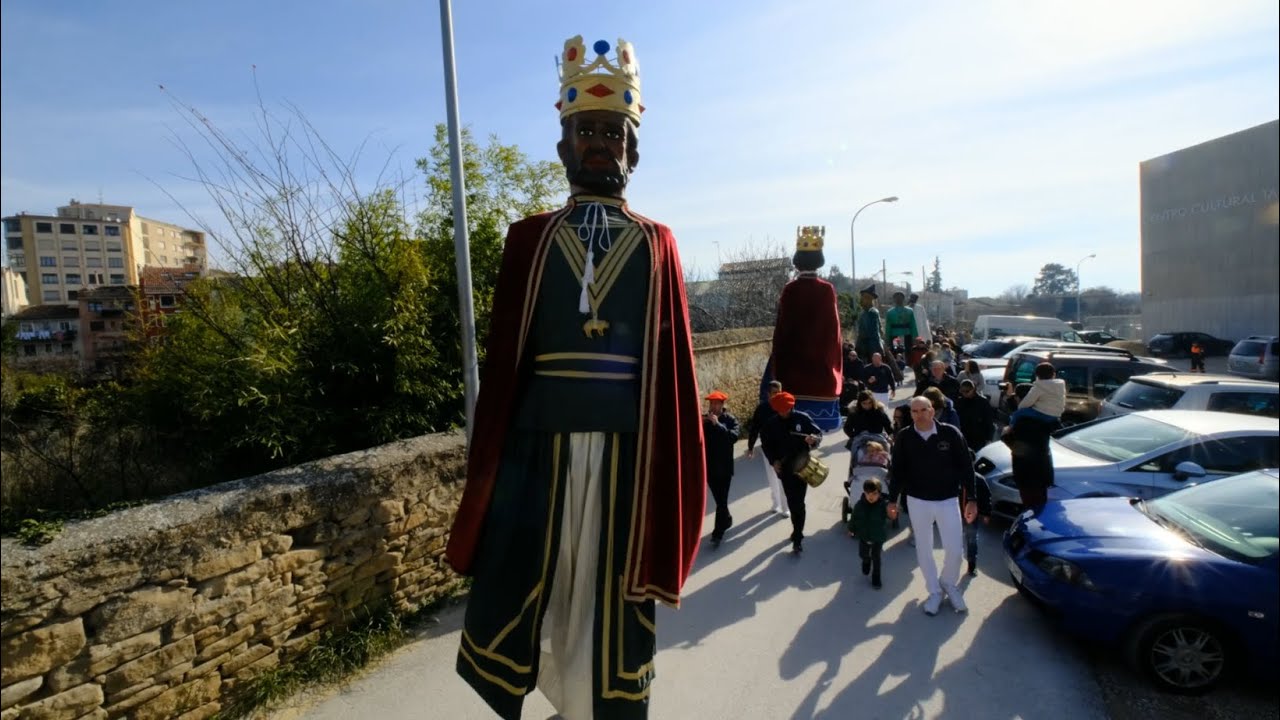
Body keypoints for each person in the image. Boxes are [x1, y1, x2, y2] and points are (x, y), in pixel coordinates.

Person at [445, 36, 704, 720]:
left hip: (624, 453)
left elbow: (671, 368)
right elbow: (506, 366)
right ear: (562, 147)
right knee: (541, 586)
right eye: (585, 131)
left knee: (608, 593)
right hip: (537, 449)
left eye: (612, 134)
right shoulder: (527, 239)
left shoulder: (658, 242)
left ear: (634, 150)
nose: (599, 144)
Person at [888, 397, 978, 615]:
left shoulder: (951, 434)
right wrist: (892, 500)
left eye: (924, 410)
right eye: (914, 411)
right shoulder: (904, 437)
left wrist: (972, 500)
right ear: (911, 414)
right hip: (918, 500)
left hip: (947, 499)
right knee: (924, 547)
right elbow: (897, 471)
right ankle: (935, 591)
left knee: (955, 550)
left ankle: (949, 583)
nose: (919, 414)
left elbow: (966, 467)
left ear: (933, 411)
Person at [767, 225, 843, 431]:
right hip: (820, 367)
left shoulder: (789, 289)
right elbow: (833, 332)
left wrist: (778, 360)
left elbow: (781, 329)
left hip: (793, 365)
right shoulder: (827, 289)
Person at [759, 391, 821, 554]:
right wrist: (773, 461)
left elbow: (818, 434)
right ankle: (797, 529)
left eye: (786, 409)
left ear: (792, 406)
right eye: (780, 410)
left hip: (803, 466)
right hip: (785, 469)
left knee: (798, 503)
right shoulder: (770, 425)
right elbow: (766, 445)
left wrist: (813, 439)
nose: (784, 412)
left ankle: (798, 536)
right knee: (793, 502)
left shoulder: (803, 418)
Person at [702, 390, 740, 547]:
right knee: (719, 500)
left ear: (722, 405)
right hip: (710, 467)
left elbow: (733, 437)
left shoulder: (730, 419)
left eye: (716, 403)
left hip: (724, 468)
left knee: (721, 500)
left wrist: (718, 424)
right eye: (711, 403)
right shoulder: (706, 420)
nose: (712, 406)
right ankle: (727, 519)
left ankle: (718, 533)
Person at [747, 380, 789, 517]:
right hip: (767, 448)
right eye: (773, 393)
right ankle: (776, 503)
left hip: (783, 448)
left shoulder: (787, 407)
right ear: (768, 394)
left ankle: (785, 507)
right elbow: (754, 428)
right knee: (772, 478)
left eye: (779, 393)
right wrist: (750, 446)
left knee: (782, 477)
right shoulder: (762, 409)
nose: (776, 395)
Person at [847, 477, 890, 589]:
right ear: (864, 493)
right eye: (868, 493)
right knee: (863, 554)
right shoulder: (859, 505)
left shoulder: (883, 506)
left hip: (877, 537)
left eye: (874, 493)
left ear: (879, 494)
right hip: (864, 536)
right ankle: (866, 561)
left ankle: (876, 578)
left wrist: (893, 513)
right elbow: (854, 518)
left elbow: (890, 516)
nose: (871, 496)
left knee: (876, 558)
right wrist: (851, 529)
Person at [1003, 362, 1065, 432]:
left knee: (1017, 414)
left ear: (1037, 375)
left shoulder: (1039, 386)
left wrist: (1019, 407)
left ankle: (1010, 432)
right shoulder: (1060, 385)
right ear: (1054, 374)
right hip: (1056, 415)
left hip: (1043, 414)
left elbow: (1026, 403)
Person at [961, 471, 993, 577]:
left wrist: (986, 513)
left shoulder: (979, 480)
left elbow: (986, 496)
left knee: (972, 539)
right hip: (955, 513)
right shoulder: (955, 475)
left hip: (971, 515)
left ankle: (972, 565)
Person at [954, 379, 996, 454]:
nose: (964, 393)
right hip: (964, 435)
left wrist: (989, 438)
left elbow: (989, 421)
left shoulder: (983, 402)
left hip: (978, 437)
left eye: (967, 391)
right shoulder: (959, 402)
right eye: (962, 391)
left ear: (973, 390)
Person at [854, 285, 885, 367]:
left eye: (863, 297)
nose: (861, 300)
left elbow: (872, 332)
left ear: (869, 299)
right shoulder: (863, 313)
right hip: (864, 346)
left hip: (871, 348)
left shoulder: (872, 312)